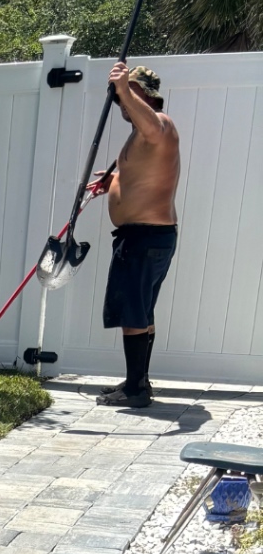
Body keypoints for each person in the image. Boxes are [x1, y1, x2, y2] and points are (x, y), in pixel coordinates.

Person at [97, 61, 180, 409]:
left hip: (146, 237)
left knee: (134, 312)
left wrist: (123, 87)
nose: (120, 103)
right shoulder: (140, 135)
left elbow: (149, 123)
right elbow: (140, 180)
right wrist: (113, 182)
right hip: (146, 237)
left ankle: (135, 391)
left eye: (128, 95)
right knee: (142, 312)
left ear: (142, 94)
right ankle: (138, 381)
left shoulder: (158, 125)